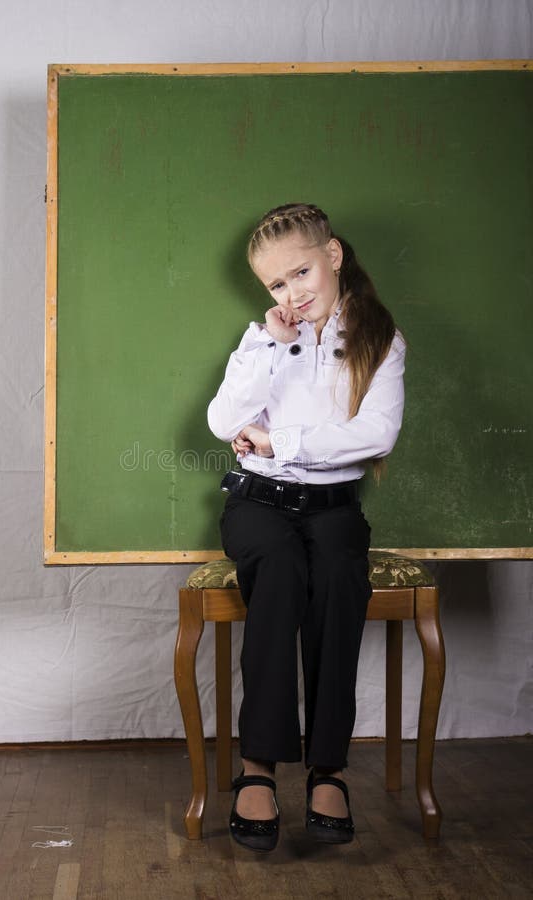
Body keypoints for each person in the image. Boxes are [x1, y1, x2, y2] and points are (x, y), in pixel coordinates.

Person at [207, 203, 406, 852]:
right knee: (282, 574)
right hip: (259, 505)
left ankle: (329, 769)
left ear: (334, 256)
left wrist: (280, 441)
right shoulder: (265, 340)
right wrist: (268, 342)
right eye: (277, 284)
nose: (293, 293)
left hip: (333, 508)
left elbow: (374, 435)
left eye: (301, 273)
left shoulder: (381, 340)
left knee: (340, 578)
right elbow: (222, 420)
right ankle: (257, 769)